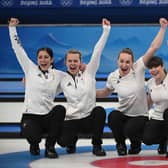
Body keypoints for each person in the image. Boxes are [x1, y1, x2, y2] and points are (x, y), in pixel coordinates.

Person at [96, 18, 168, 156]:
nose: (124, 64)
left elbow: (154, 47)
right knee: (113, 117)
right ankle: (121, 144)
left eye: (127, 62)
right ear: (117, 61)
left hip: (140, 115)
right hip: (123, 113)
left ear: (132, 62)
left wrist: (163, 28)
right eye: (122, 61)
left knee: (131, 130)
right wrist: (87, 92)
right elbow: (105, 92)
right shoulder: (113, 76)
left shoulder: (139, 68)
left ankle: (136, 145)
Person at [9, 18, 66, 158]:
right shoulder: (30, 69)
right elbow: (18, 49)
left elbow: (75, 78)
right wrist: (12, 28)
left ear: (52, 60)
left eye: (46, 57)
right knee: (33, 136)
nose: (43, 60)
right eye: (40, 57)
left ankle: (50, 147)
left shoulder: (59, 75)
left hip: (48, 116)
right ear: (37, 60)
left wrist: (84, 68)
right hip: (31, 116)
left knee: (60, 109)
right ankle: (34, 144)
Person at [57, 18, 111, 156]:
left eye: (75, 60)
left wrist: (106, 31)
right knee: (62, 142)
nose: (73, 63)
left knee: (99, 111)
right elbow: (45, 89)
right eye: (70, 61)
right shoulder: (61, 79)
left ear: (81, 62)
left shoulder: (89, 72)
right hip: (72, 120)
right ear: (65, 62)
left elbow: (97, 51)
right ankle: (71, 141)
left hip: (88, 119)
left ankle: (97, 145)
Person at [143, 56, 168, 156]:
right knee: (147, 139)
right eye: (150, 68)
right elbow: (148, 102)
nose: (153, 70)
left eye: (156, 66)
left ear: (162, 66)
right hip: (157, 117)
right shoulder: (150, 83)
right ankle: (163, 140)